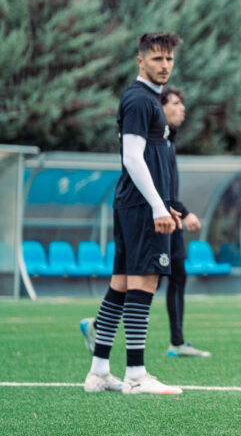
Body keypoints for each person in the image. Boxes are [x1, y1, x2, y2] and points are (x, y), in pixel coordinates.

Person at [80, 32, 184, 395]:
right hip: (141, 207)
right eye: (157, 59)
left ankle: (98, 372)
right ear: (141, 61)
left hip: (136, 204)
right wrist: (156, 205)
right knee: (144, 282)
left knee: (122, 285)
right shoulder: (140, 99)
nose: (164, 65)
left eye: (169, 59)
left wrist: (164, 202)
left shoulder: (149, 99)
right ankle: (137, 375)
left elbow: (150, 158)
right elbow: (132, 157)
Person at [161, 86, 210, 358]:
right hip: (159, 220)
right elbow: (161, 191)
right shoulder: (156, 141)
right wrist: (186, 212)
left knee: (178, 276)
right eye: (176, 103)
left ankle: (177, 343)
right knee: (145, 282)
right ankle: (101, 325)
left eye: (182, 103)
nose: (183, 108)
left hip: (172, 220)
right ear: (161, 107)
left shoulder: (169, 140)